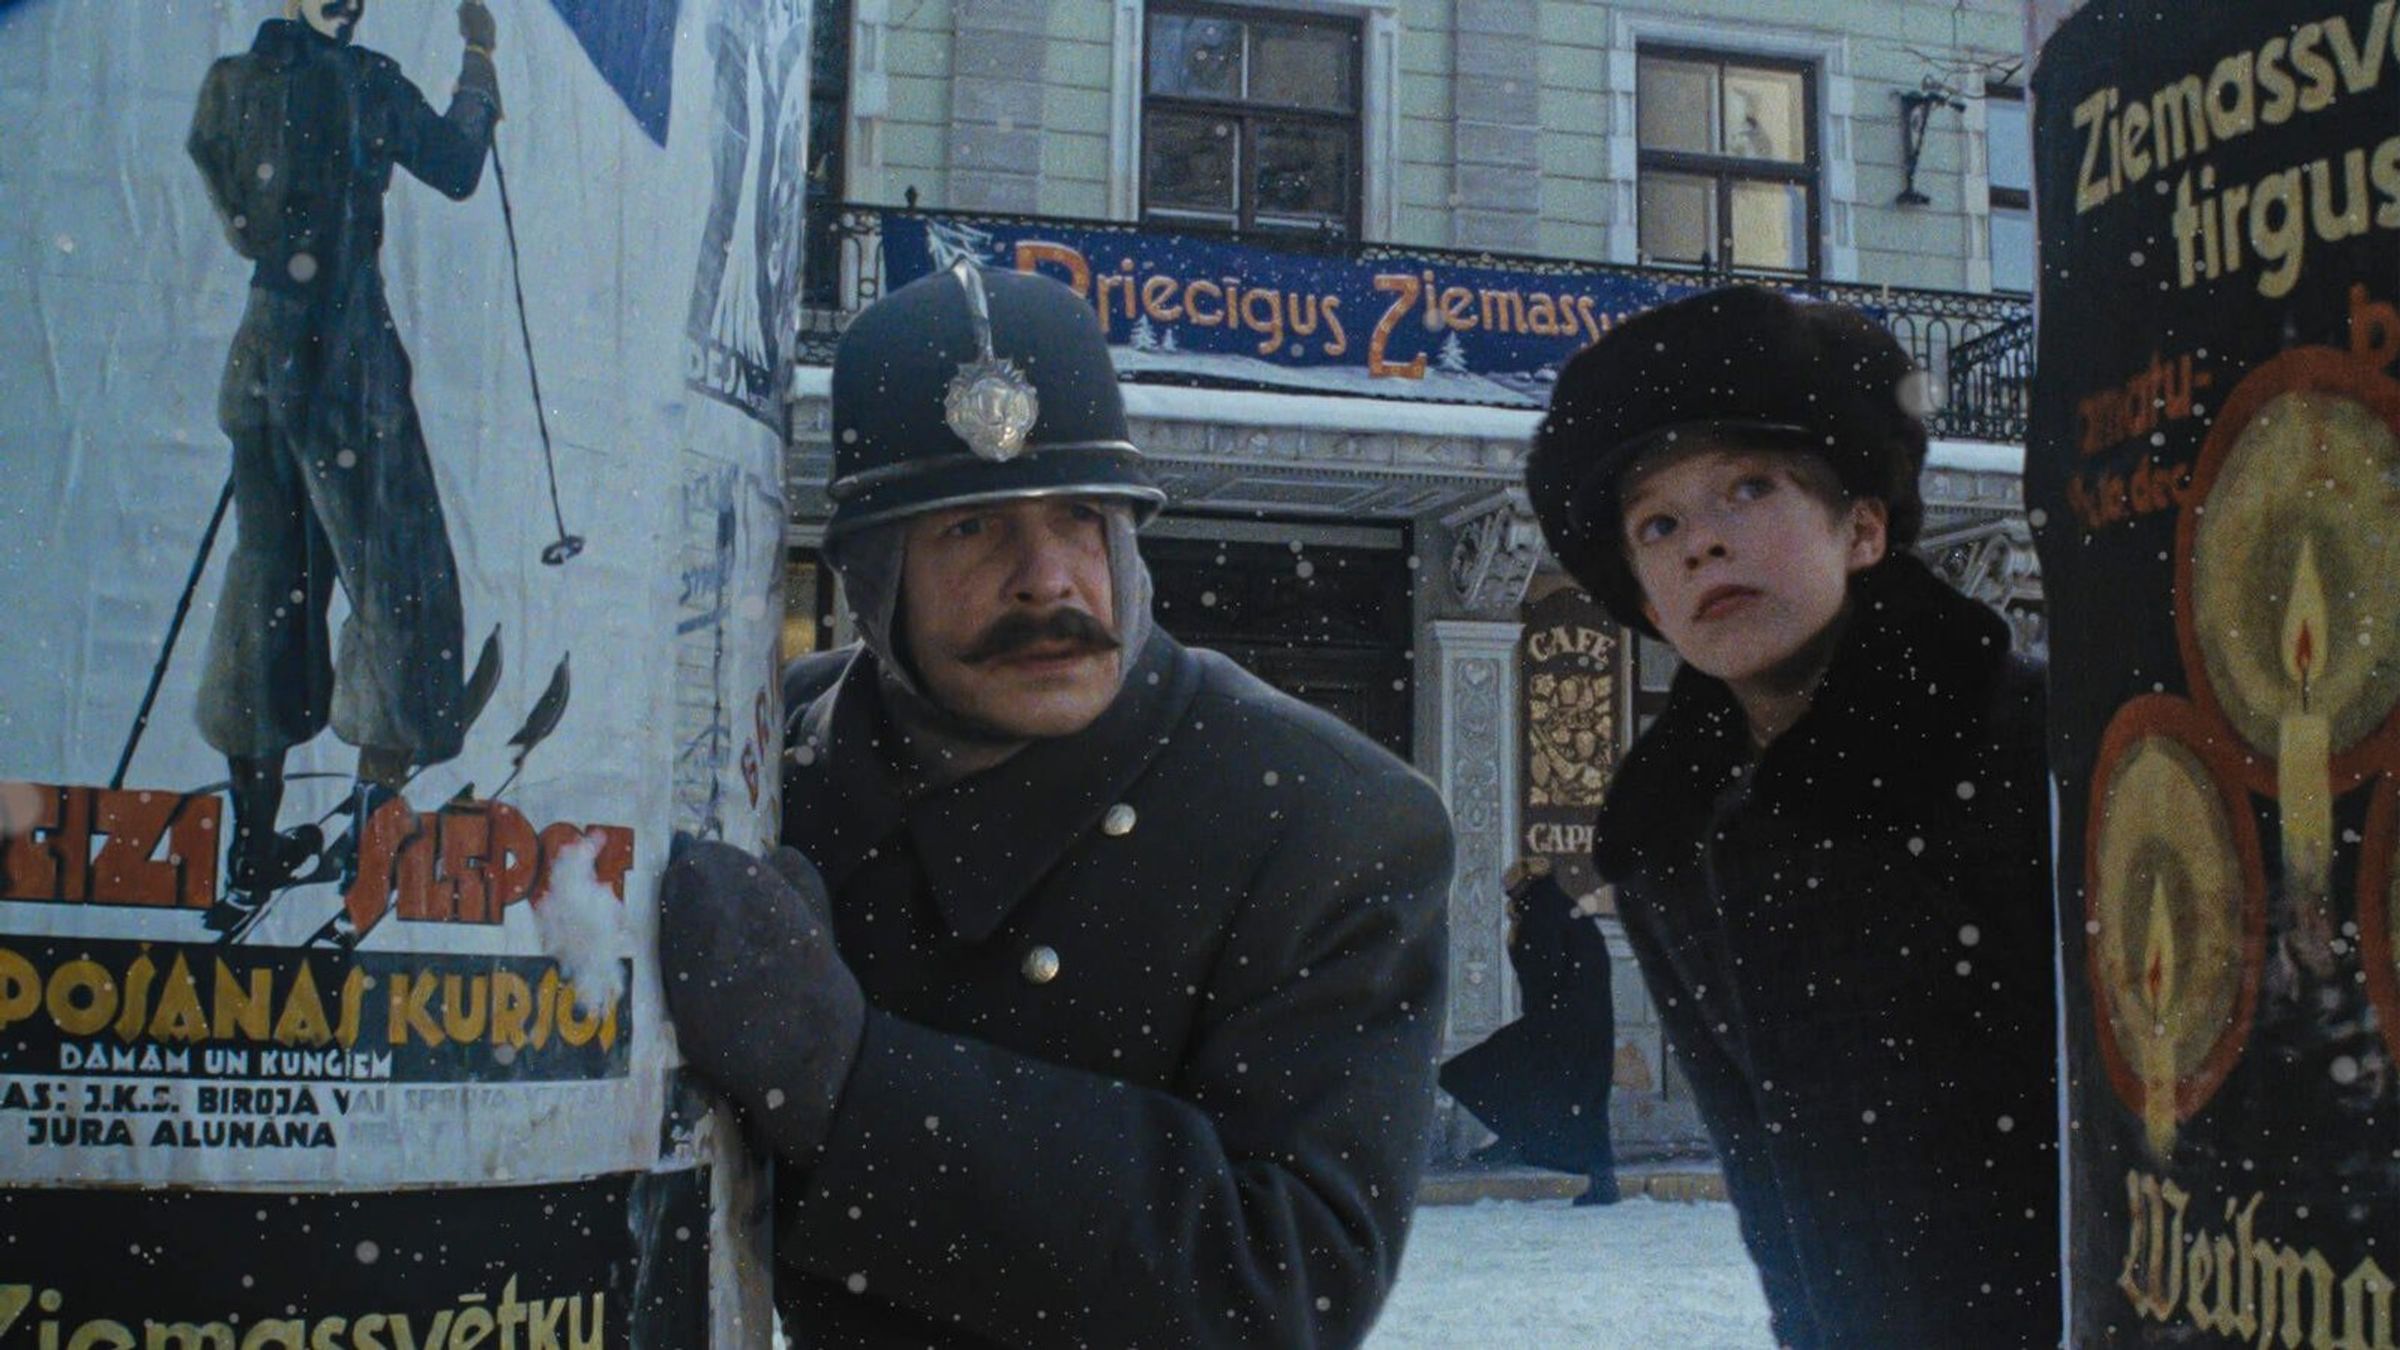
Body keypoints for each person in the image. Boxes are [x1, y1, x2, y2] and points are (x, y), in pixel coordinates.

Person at [657, 261, 1455, 1348]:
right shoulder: (756, 764)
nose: (1047, 579)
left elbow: (1284, 1282)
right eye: (970, 528)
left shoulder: (1327, 820)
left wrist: (848, 1083)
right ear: (873, 579)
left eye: (1080, 517)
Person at [1523, 285, 2059, 1347]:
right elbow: (1773, 1189)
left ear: (1862, 528)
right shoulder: (1668, 838)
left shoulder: (2031, 742)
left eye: (1749, 489)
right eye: (1660, 524)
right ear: (1647, 602)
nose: (1703, 544)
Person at [186, 0, 505, 928]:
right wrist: (480, 61)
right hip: (347, 369)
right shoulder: (368, 85)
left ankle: (252, 852)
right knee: (398, 587)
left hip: (264, 362)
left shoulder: (230, 86)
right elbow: (457, 165)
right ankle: (367, 851)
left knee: (270, 592)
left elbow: (239, 213)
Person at [1438, 857, 1622, 1206]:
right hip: (1586, 1023)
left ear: (1522, 888)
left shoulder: (1541, 913)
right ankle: (1593, 1175)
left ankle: (1522, 1139)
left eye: (1510, 892)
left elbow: (1540, 971)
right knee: (1582, 1102)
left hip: (1561, 1023)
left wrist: (1517, 944)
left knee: (1478, 1071)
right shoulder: (1560, 907)